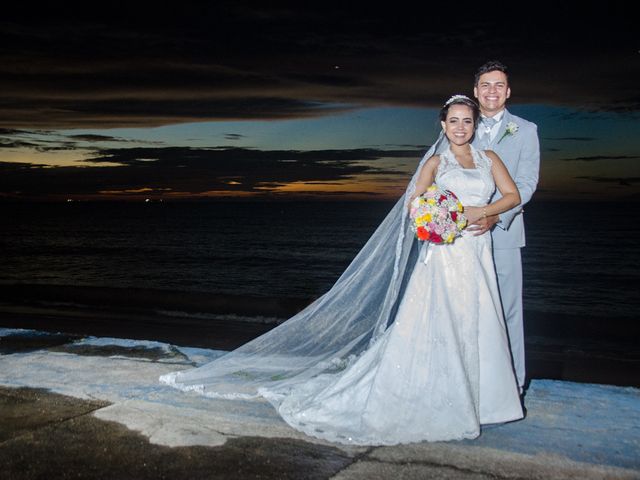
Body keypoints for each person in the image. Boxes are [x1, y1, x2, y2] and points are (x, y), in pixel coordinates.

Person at [161, 95, 524, 445]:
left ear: (476, 125)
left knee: (480, 319)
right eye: (453, 121)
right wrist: (442, 219)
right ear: (443, 126)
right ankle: (440, 395)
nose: (460, 127)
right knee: (441, 323)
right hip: (444, 256)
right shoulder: (435, 163)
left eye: (467, 121)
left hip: (477, 252)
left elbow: (512, 196)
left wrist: (484, 213)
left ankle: (486, 402)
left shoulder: (489, 158)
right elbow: (415, 207)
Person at [469, 61, 540, 396]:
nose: (492, 91)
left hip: (505, 234)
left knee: (508, 311)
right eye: (485, 85)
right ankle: (473, 380)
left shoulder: (525, 130)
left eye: (498, 85)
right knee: (468, 308)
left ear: (508, 91)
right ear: (475, 91)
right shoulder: (460, 127)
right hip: (465, 236)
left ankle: (514, 385)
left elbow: (526, 184)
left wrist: (496, 215)